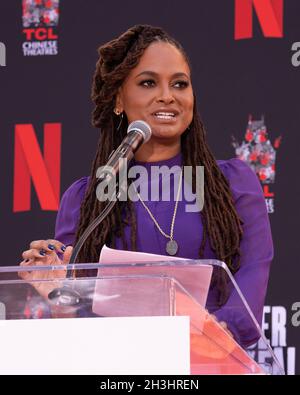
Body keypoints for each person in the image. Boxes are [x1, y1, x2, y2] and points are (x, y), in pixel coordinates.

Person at [19, 24, 273, 347]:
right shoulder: (87, 200)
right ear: (118, 100)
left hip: (212, 363)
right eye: (148, 82)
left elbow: (249, 289)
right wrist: (57, 292)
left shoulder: (233, 185)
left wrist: (202, 339)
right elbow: (77, 328)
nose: (167, 95)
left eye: (179, 84)